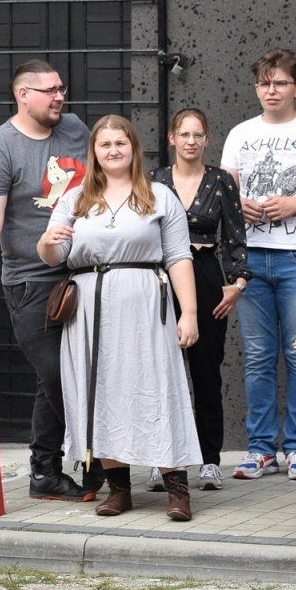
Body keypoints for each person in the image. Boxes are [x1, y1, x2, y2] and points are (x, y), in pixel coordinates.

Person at [38, 115, 202, 519]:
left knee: (156, 385)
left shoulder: (159, 196)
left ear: (134, 148)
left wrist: (190, 313)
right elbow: (53, 255)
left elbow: (179, 256)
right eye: (105, 144)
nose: (113, 150)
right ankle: (119, 489)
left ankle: (177, 491)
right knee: (102, 390)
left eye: (120, 143)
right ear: (94, 151)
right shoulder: (75, 198)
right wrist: (46, 242)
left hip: (145, 301)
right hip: (90, 307)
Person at [0, 60, 93, 501]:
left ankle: (45, 473)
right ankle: (95, 455)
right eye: (49, 90)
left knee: (67, 376)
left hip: (84, 272)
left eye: (61, 88)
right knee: (55, 375)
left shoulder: (74, 128)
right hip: (32, 282)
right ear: (23, 94)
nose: (59, 97)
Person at [220, 48, 296, 481]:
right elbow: (221, 196)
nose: (270, 91)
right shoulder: (239, 134)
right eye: (263, 83)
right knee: (257, 356)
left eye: (279, 83)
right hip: (250, 258)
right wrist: (240, 207)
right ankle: (259, 449)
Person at [148, 108, 248, 491]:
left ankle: (209, 460)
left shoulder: (221, 181)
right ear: (171, 138)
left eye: (198, 135)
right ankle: (161, 458)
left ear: (207, 139)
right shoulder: (154, 181)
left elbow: (236, 238)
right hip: (161, 279)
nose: (191, 141)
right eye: (184, 134)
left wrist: (237, 284)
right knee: (160, 374)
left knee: (206, 374)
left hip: (207, 276)